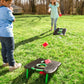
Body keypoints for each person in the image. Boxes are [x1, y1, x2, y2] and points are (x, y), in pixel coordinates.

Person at [0, 0, 22, 71]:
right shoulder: (7, 10)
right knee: (10, 49)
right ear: (3, 1)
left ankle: (5, 62)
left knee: (4, 48)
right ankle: (12, 65)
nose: (10, 5)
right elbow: (13, 19)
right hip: (7, 33)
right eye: (9, 3)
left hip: (1, 33)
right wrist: (11, 12)